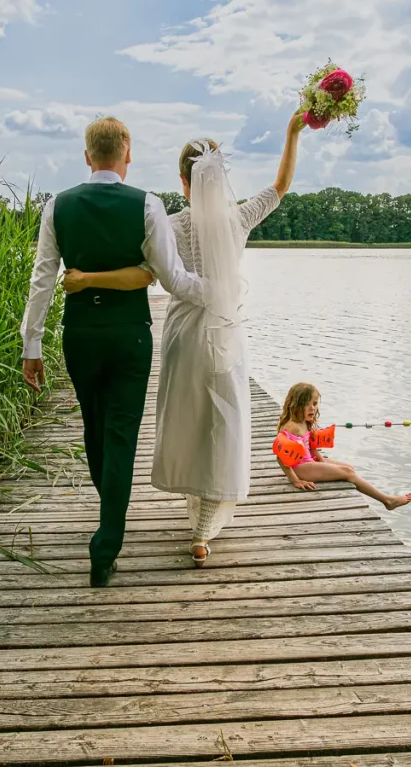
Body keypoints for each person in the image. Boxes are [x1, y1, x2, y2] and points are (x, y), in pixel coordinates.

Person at [63, 110, 305, 566]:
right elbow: (280, 186)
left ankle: (193, 509)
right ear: (221, 178)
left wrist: (88, 276)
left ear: (183, 180)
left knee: (189, 419)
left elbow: (155, 274)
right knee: (222, 423)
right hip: (224, 332)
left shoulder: (171, 224)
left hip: (182, 332)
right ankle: (201, 529)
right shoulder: (238, 219)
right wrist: (292, 132)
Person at [21, 117, 204, 588]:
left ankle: (110, 525)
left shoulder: (57, 206)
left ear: (87, 157)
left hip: (80, 334)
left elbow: (43, 278)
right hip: (129, 336)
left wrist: (32, 343)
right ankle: (107, 541)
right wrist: (217, 292)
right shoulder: (146, 204)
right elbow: (172, 278)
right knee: (120, 434)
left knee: (96, 428)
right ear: (127, 154)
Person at [276, 382, 411, 510]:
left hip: (308, 461)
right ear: (296, 404)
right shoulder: (292, 426)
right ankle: (387, 501)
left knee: (349, 468)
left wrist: (323, 462)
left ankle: (382, 498)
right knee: (348, 473)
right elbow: (281, 457)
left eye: (315, 403)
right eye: (307, 404)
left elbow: (310, 447)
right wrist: (295, 481)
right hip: (299, 468)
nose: (312, 408)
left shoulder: (305, 421)